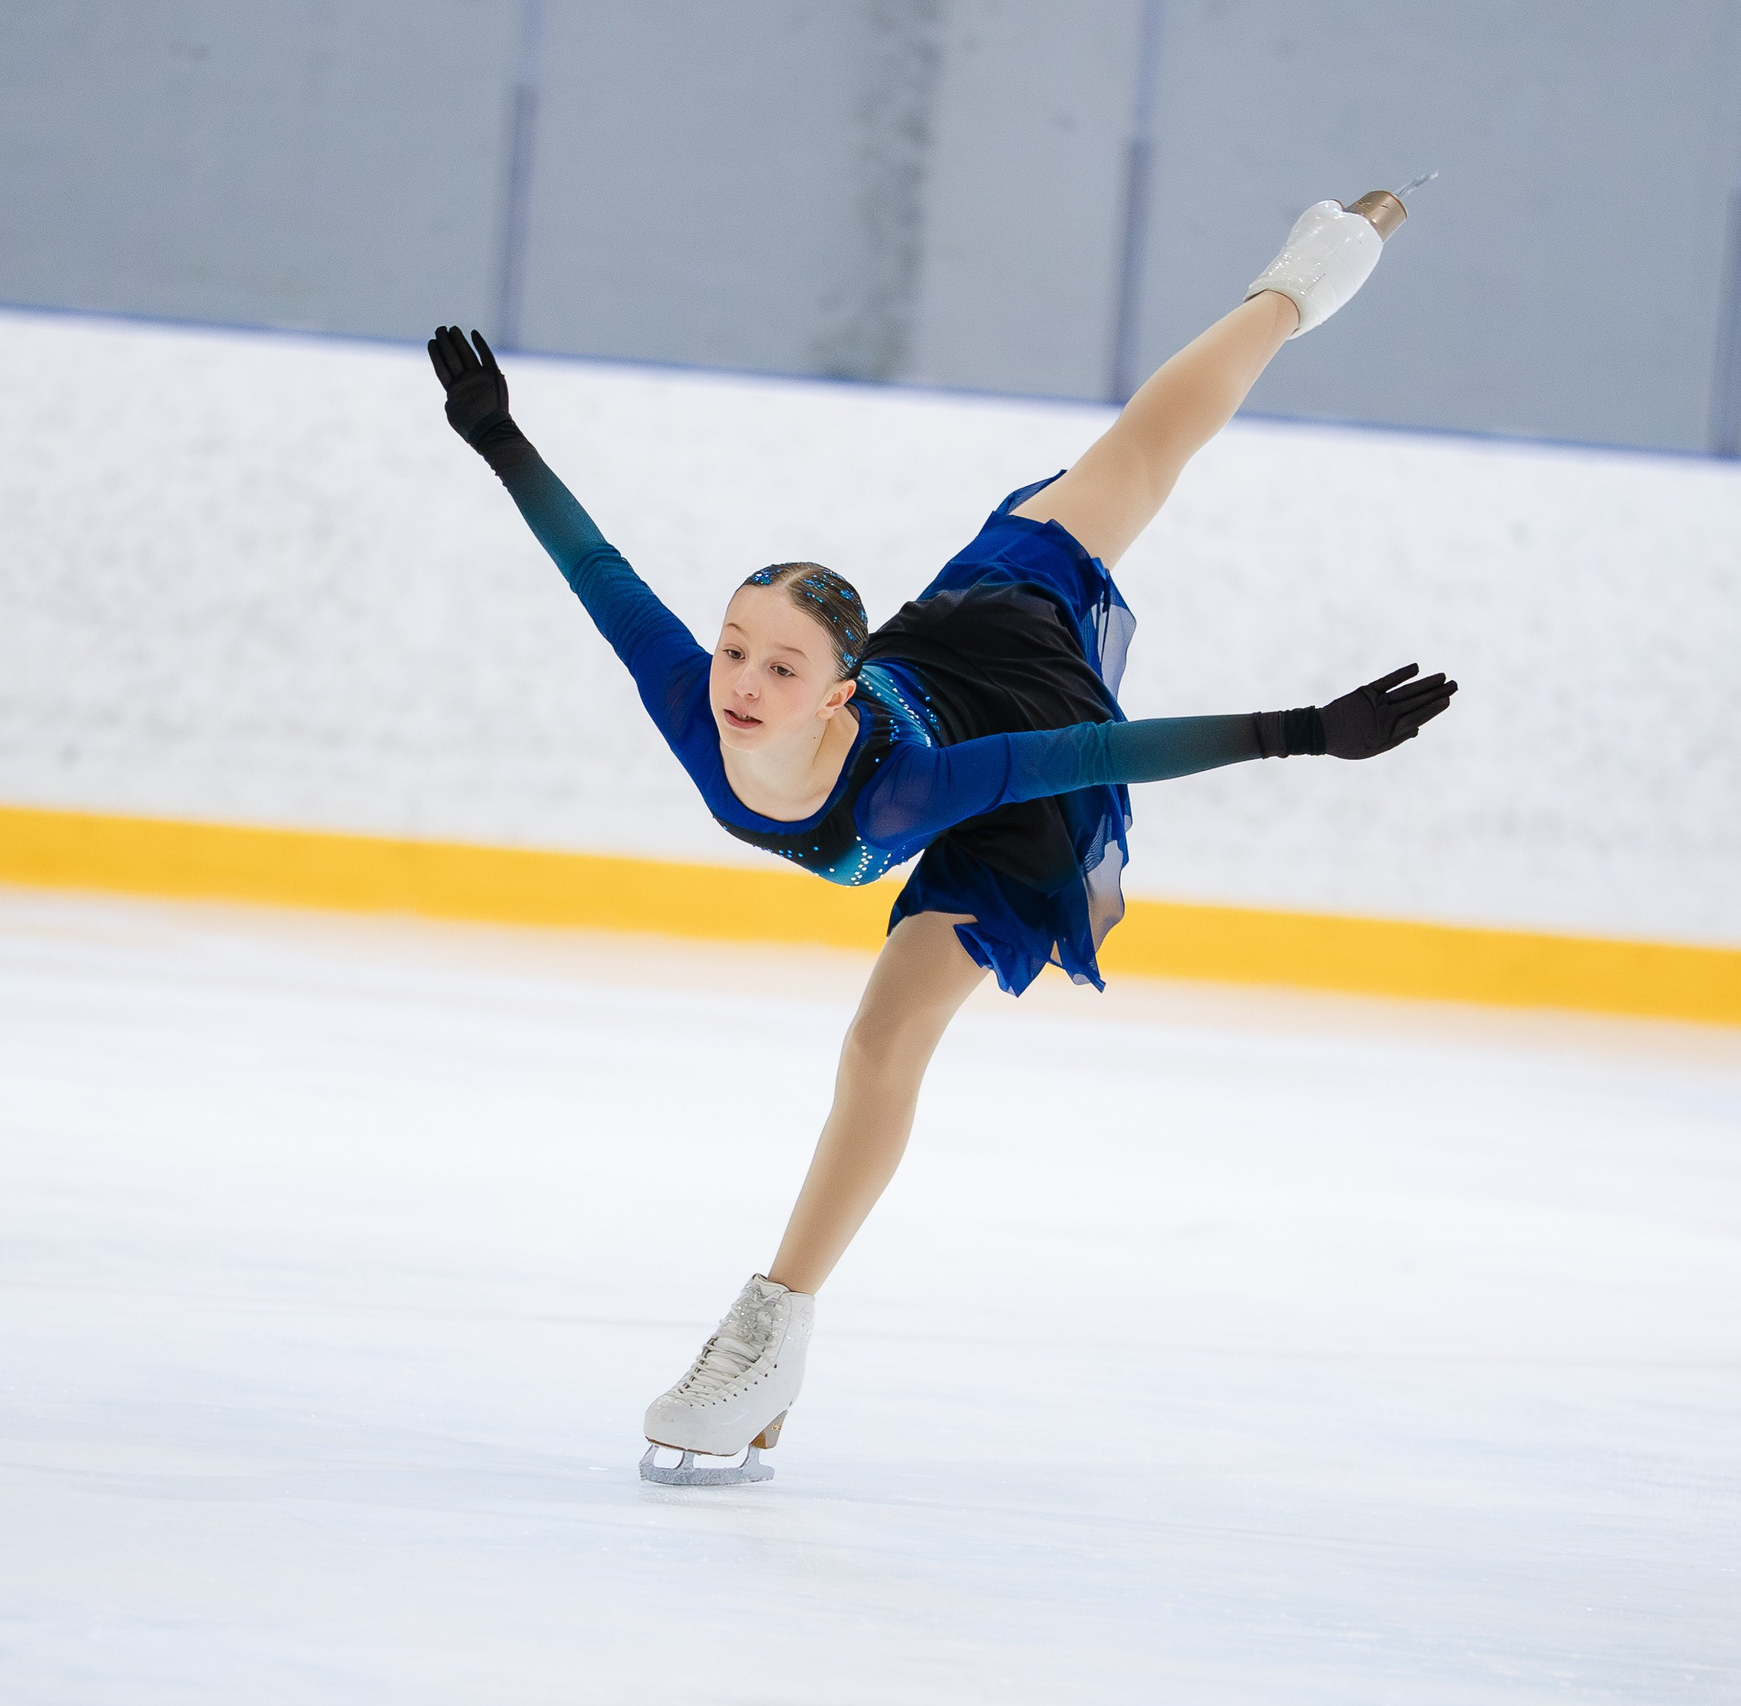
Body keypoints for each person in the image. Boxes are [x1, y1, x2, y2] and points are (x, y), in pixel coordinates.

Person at [425, 192, 1456, 1486]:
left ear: (837, 693)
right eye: (736, 647)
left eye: (779, 667)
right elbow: (599, 567)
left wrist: (1304, 727)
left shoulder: (900, 794)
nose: (740, 684)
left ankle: (1302, 277)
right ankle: (1307, 271)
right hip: (957, 636)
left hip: (1015, 750)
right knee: (1113, 469)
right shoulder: (702, 707)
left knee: (881, 1033)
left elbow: (1078, 755)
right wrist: (498, 438)